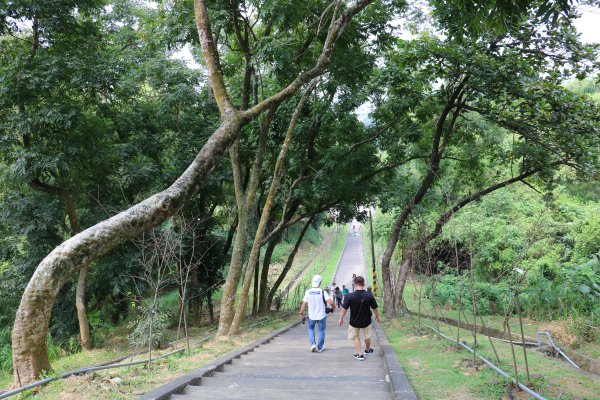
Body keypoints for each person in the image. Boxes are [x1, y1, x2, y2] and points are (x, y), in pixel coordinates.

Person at [338, 275, 381, 361]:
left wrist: (341, 318)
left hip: (354, 321)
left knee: (355, 337)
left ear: (354, 284)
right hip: (367, 321)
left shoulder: (349, 296)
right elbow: (375, 308)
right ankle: (368, 350)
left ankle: (360, 354)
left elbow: (344, 309)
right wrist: (377, 316)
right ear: (363, 284)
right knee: (367, 336)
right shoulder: (369, 295)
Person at [300, 274, 336, 352]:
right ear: (320, 282)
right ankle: (320, 347)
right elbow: (331, 302)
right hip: (321, 315)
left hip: (311, 316)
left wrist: (302, 312)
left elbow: (304, 304)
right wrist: (333, 308)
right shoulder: (322, 292)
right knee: (321, 330)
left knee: (310, 328)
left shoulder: (308, 292)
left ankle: (313, 344)